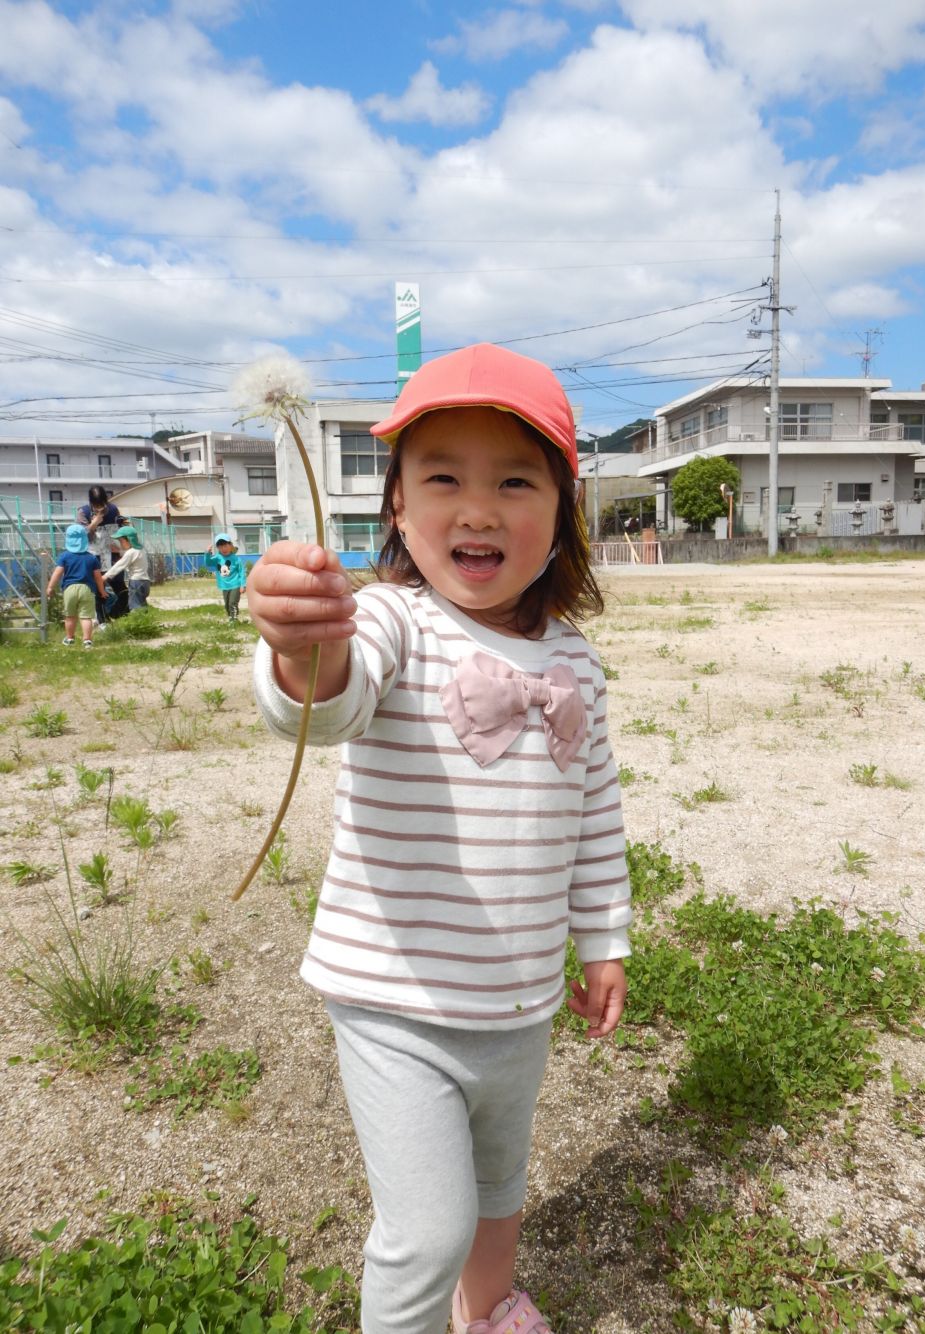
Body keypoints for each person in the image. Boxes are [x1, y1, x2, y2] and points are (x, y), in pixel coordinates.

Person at [248, 343, 632, 1334]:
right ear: (397, 511)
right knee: (427, 1225)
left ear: (560, 514)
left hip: (515, 999)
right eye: (442, 478)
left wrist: (602, 936)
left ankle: (488, 1302)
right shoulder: (385, 619)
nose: (476, 507)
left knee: (500, 1183)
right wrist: (303, 649)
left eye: (513, 479)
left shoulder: (574, 663)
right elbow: (332, 699)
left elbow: (594, 811)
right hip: (395, 1001)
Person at [46, 522, 106, 648]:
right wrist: (102, 591)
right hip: (87, 589)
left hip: (69, 589)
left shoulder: (65, 556)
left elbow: (57, 573)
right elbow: (98, 577)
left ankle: (69, 638)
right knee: (86, 617)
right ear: (84, 540)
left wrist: (50, 587)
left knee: (70, 616)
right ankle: (87, 640)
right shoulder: (91, 558)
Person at [77, 486, 122, 628]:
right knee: (98, 588)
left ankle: (121, 614)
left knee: (119, 584)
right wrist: (94, 523)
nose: (99, 508)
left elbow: (120, 528)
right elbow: (80, 535)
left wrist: (120, 548)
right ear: (91, 502)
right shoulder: (83, 512)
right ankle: (102, 619)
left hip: (112, 554)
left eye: (102, 504)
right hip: (93, 556)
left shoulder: (113, 509)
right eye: (96, 505)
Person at [103, 525, 152, 611]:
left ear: (129, 540)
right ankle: (145, 621)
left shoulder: (130, 553)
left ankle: (136, 623)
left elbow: (120, 565)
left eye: (121, 541)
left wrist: (106, 576)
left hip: (136, 582)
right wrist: (120, 551)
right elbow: (131, 556)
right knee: (142, 605)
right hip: (145, 582)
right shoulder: (141, 550)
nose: (120, 544)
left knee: (135, 606)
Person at [205, 532, 246, 621]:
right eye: (220, 547)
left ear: (230, 545)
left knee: (232, 603)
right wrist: (207, 553)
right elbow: (208, 563)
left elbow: (241, 572)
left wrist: (243, 585)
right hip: (224, 586)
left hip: (235, 585)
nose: (223, 549)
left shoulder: (236, 559)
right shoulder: (217, 558)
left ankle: (234, 619)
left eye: (225, 546)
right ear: (218, 548)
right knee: (227, 604)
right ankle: (230, 617)